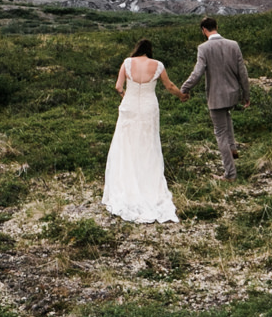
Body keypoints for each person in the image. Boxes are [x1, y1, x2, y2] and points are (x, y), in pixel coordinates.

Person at [102, 37, 182, 223]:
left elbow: (118, 86)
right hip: (148, 107)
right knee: (148, 144)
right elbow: (169, 86)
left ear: (137, 48)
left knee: (126, 143)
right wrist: (181, 95)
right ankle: (148, 182)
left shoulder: (127, 63)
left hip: (129, 106)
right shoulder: (158, 65)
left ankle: (127, 182)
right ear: (150, 50)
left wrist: (124, 95)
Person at [177, 15, 249, 180]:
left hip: (216, 97)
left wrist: (185, 88)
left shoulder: (204, 48)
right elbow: (242, 72)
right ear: (216, 26)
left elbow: (197, 72)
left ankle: (230, 174)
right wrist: (246, 94)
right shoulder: (233, 45)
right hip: (233, 94)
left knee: (220, 132)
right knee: (227, 116)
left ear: (203, 30)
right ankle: (232, 148)